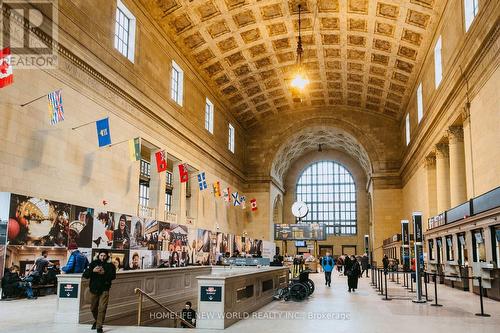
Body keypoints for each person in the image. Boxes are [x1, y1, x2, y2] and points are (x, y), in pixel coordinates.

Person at [83, 249, 116, 333]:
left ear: (107, 256)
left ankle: (99, 326)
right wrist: (92, 271)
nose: (103, 257)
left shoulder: (110, 265)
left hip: (105, 289)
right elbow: (85, 275)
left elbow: (113, 276)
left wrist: (104, 273)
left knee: (102, 308)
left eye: (104, 256)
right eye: (101, 255)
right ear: (98, 255)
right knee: (93, 308)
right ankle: (97, 321)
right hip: (94, 289)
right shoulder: (93, 264)